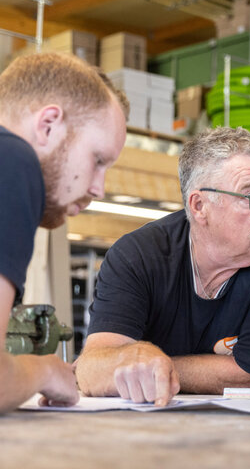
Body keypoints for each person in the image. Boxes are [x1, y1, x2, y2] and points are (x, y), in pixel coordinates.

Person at [75, 127, 250, 406]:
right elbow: (92, 369)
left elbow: (246, 376)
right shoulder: (137, 256)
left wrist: (146, 367)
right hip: (149, 429)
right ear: (200, 205)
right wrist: (109, 365)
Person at [0, 52, 129, 412]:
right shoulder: (12, 160)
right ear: (48, 125)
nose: (98, 188)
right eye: (98, 160)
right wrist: (44, 371)